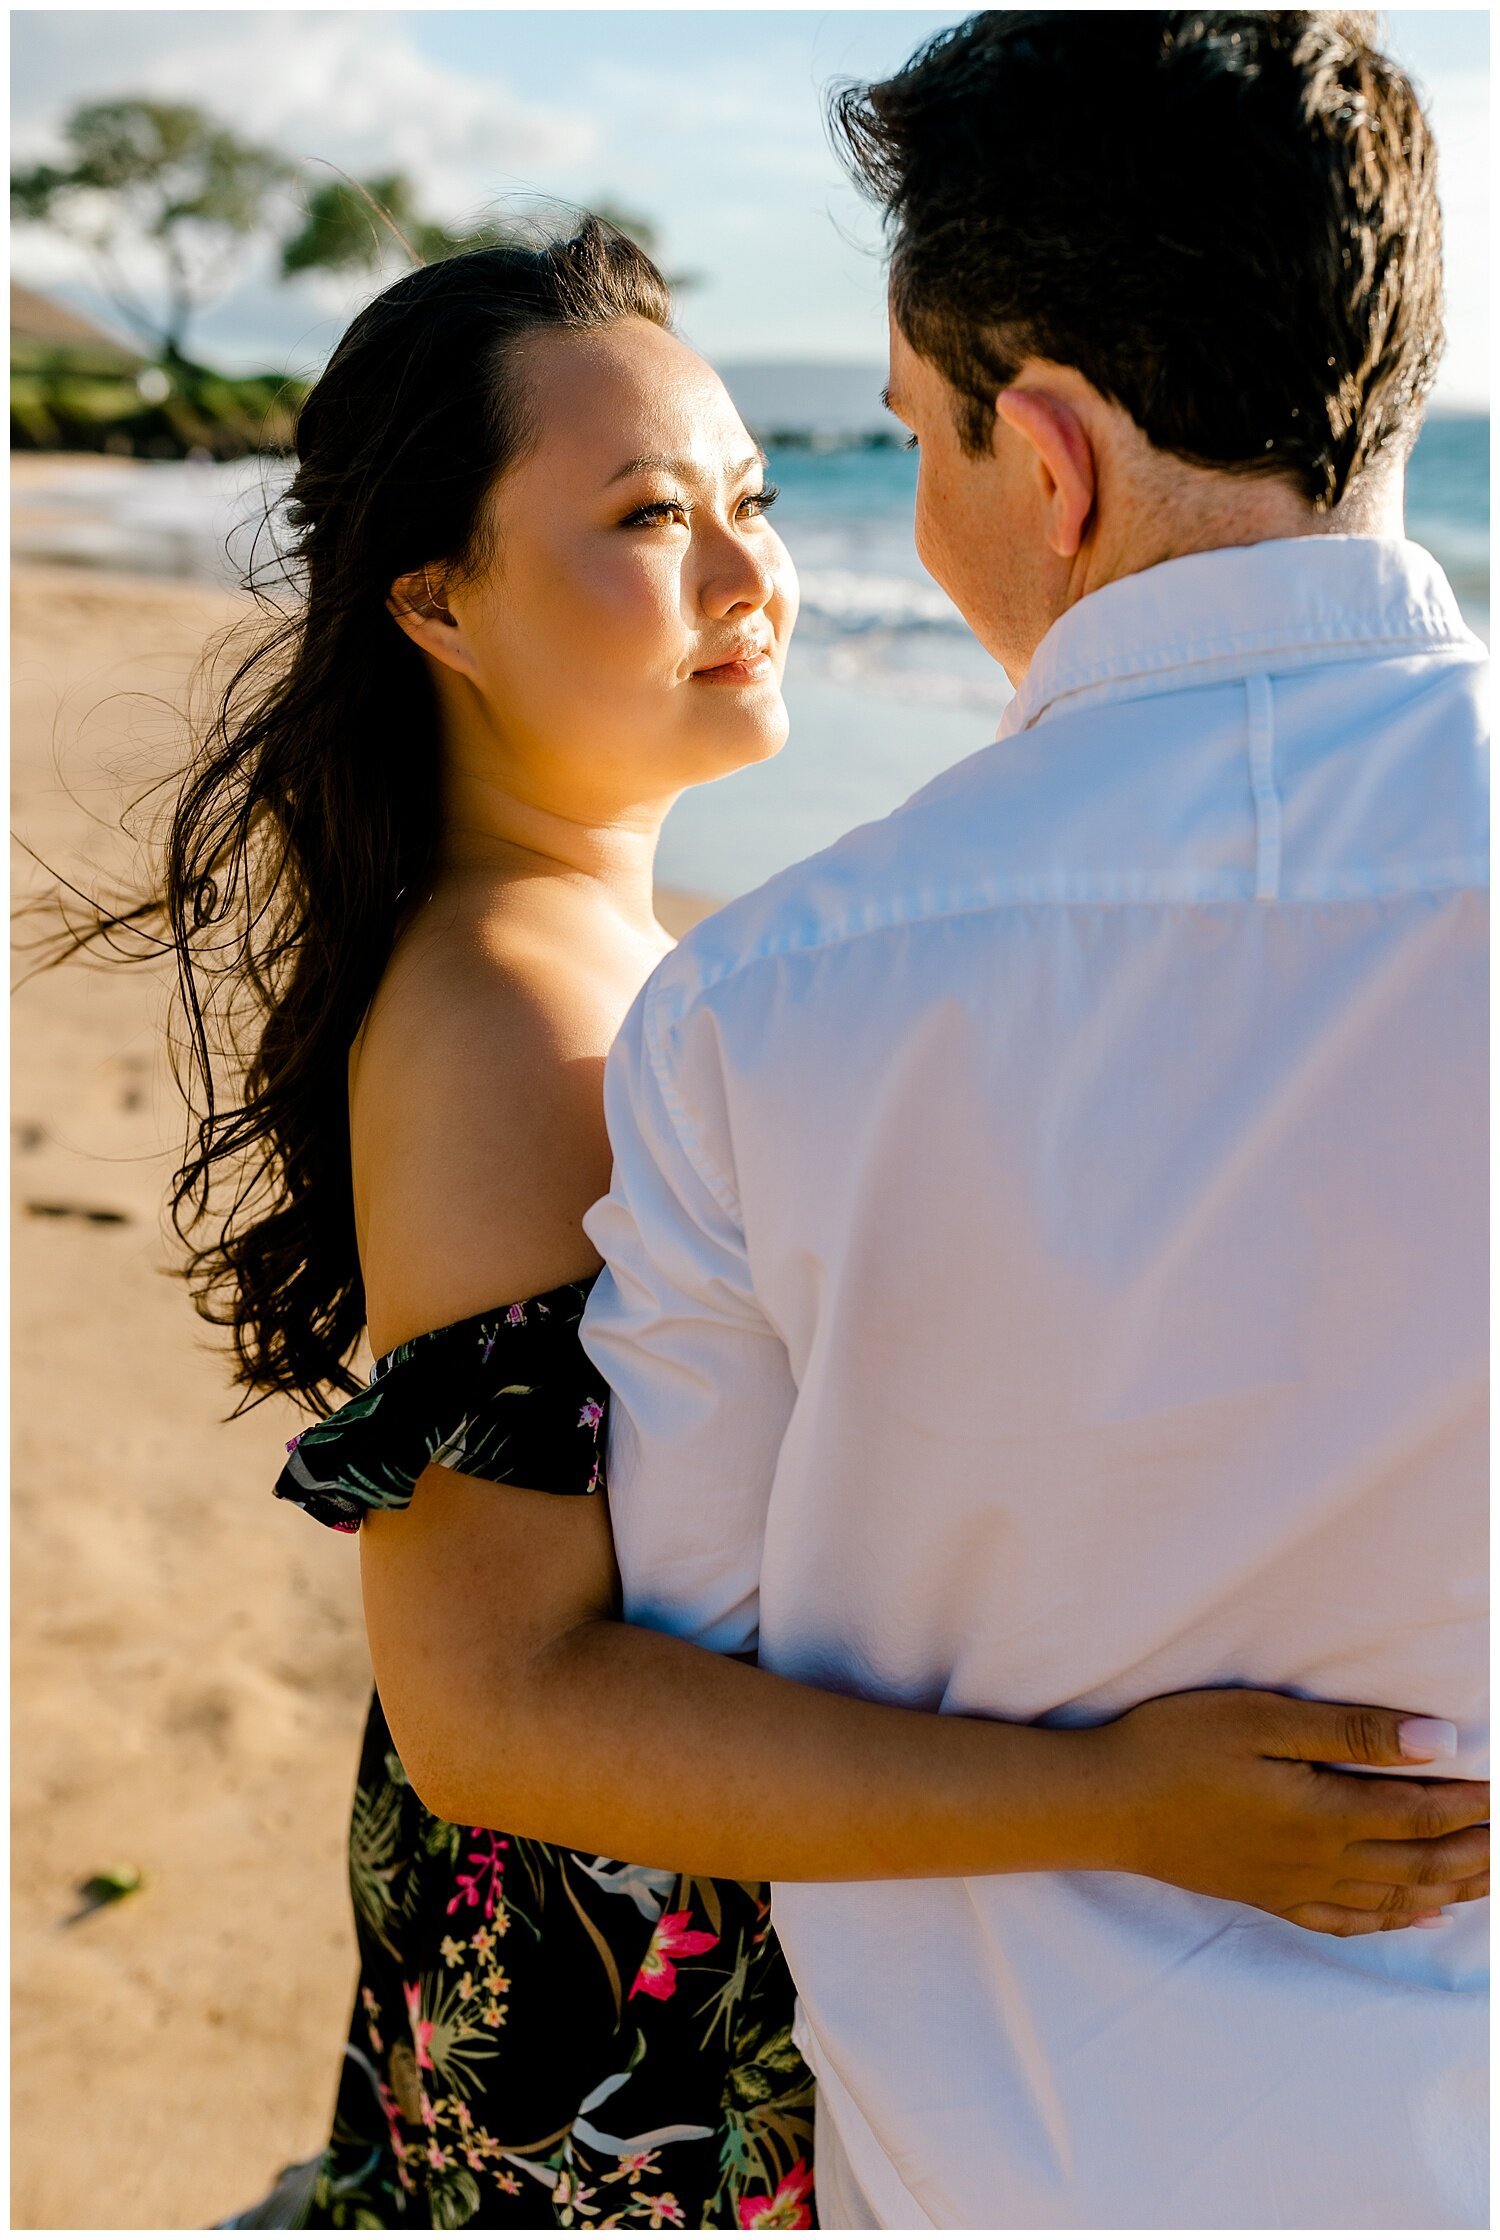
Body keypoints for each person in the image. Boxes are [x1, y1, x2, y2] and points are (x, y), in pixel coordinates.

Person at [94, 221, 1480, 2231]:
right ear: (438, 601)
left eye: (758, 495)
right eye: (653, 518)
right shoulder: (510, 1014)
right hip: (601, 2045)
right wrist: (1130, 1806)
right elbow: (491, 1710)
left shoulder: (605, 966)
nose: (756, 577)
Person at [554, 16, 1490, 2232]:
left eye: (909, 441)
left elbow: (712, 1656)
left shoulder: (761, 1010)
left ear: (1046, 459)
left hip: (1017, 2170)